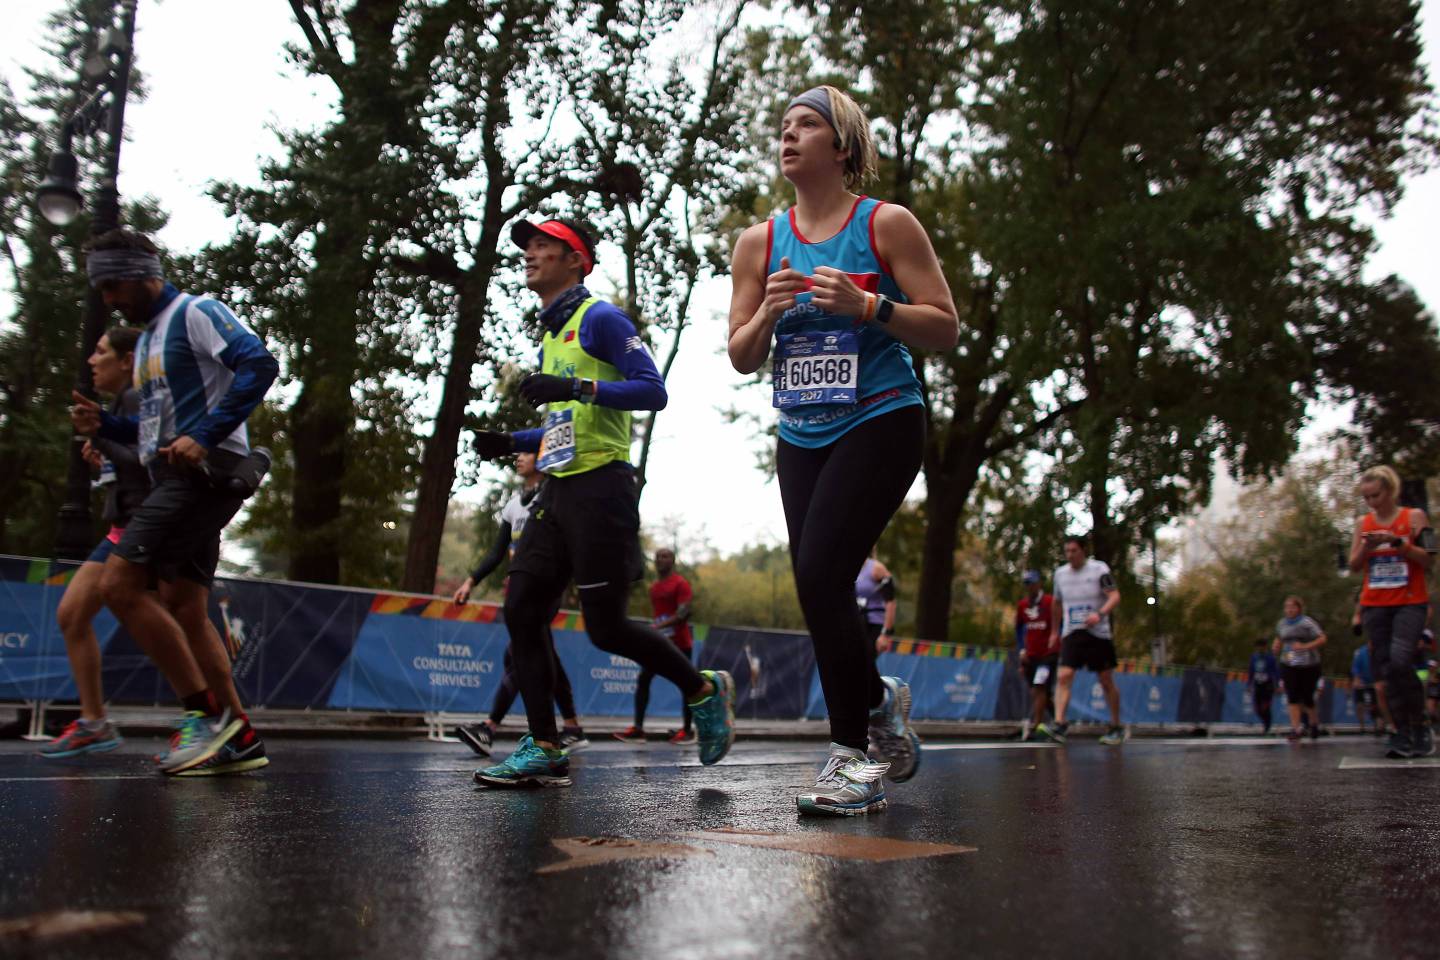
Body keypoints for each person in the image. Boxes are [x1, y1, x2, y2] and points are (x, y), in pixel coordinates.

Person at [727, 84, 958, 815]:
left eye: (806, 125)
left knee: (825, 567)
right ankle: (877, 698)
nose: (788, 136)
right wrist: (767, 309)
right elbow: (739, 355)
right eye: (783, 126)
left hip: (881, 418)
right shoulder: (759, 242)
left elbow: (944, 326)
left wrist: (868, 306)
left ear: (843, 146)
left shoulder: (886, 225)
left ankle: (851, 759)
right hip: (801, 429)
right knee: (816, 581)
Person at [469, 217, 734, 788]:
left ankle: (703, 690)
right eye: (528, 246)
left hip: (603, 490)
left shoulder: (602, 318)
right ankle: (544, 744)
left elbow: (652, 390)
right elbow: (564, 427)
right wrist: (510, 442)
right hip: (557, 491)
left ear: (577, 261)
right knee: (522, 610)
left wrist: (577, 387)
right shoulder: (552, 332)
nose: (531, 253)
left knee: (606, 630)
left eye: (545, 245)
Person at [69, 227, 278, 776]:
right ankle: (240, 735)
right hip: (173, 477)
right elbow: (153, 429)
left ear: (140, 273)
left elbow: (260, 364)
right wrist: (107, 424)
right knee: (185, 606)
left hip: (202, 476)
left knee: (118, 586)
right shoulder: (150, 342)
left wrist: (206, 435)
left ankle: (206, 718)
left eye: (113, 286)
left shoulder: (196, 312)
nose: (109, 300)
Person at [39, 327, 146, 758]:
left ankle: (215, 713)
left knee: (180, 620)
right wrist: (103, 463)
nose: (91, 361)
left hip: (147, 526)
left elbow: (149, 463)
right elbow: (130, 470)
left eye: (100, 352)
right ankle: (94, 720)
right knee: (72, 614)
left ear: (126, 360)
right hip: (124, 525)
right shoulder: (124, 403)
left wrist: (101, 438)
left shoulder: (138, 400)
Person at [452, 452, 588, 757]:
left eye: (526, 452)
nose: (518, 457)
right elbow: (497, 551)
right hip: (520, 588)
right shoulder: (514, 505)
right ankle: (572, 726)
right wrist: (470, 581)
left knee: (520, 652)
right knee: (542, 653)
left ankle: (490, 727)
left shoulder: (553, 494)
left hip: (546, 585)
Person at [1348, 465, 1435, 758]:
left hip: (1410, 602)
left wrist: (1398, 543)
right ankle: (1401, 730)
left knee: (1400, 660)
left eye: (1376, 495)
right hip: (1376, 604)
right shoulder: (1364, 522)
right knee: (1385, 671)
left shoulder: (1414, 517)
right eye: (1367, 497)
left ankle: (1420, 723)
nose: (1372, 502)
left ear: (1391, 491)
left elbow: (1430, 559)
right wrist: (1369, 546)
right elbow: (1353, 565)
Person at [1038, 535, 1125, 745]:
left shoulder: (1099, 570)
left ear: (1083, 551)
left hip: (1098, 632)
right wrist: (1054, 632)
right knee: (1064, 676)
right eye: (1067, 551)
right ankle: (1060, 723)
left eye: (1074, 551)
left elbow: (1114, 596)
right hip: (1072, 631)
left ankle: (1115, 725)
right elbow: (1057, 604)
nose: (1070, 555)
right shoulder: (1060, 574)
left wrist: (1100, 614)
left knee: (1105, 680)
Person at [615, 547, 696, 744]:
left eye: (665, 556)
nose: (661, 559)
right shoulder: (654, 587)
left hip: (680, 644)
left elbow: (683, 614)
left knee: (687, 686)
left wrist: (657, 627)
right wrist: (657, 630)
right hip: (659, 643)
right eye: (658, 557)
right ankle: (638, 730)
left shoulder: (680, 584)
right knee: (643, 679)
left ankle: (687, 731)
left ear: (673, 561)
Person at [1274, 596, 1325, 741]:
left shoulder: (1306, 622)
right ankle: (1296, 729)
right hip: (1289, 663)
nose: (1289, 610)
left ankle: (1314, 724)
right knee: (1292, 695)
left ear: (1299, 608)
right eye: (1287, 607)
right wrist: (1276, 645)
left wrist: (1304, 646)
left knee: (1307, 697)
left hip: (1309, 664)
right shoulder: (1282, 623)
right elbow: (1279, 637)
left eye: (1292, 607)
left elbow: (1322, 638)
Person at [1015, 570, 1057, 741]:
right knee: (1038, 692)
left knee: (1039, 686)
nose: (1029, 587)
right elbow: (1018, 629)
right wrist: (1022, 649)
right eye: (1026, 584)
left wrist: (1056, 641)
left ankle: (1035, 726)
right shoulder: (1023, 605)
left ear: (1039, 583)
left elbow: (1059, 624)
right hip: (1030, 654)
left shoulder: (1050, 602)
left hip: (1048, 654)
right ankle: (1059, 720)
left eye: (1032, 583)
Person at [855, 551, 897, 655]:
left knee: (865, 663)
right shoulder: (847, 567)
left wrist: (886, 633)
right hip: (856, 622)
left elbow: (891, 601)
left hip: (874, 624)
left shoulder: (876, 568)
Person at [1247, 638, 1278, 734]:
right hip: (1258, 684)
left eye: (1262, 646)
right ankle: (1265, 721)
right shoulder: (1254, 657)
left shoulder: (1270, 658)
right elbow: (1251, 671)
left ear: (1265, 647)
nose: (1260, 648)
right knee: (1257, 708)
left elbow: (1275, 672)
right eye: (1258, 646)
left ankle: (1267, 725)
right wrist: (1249, 684)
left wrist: (1276, 685)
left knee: (1265, 706)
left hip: (1267, 684)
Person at [1351, 641, 1378, 735]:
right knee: (1359, 704)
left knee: (1376, 703)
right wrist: (1356, 678)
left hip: (1375, 680)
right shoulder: (1360, 652)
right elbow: (1355, 667)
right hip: (1362, 680)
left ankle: (1378, 726)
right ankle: (1362, 726)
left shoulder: (1380, 652)